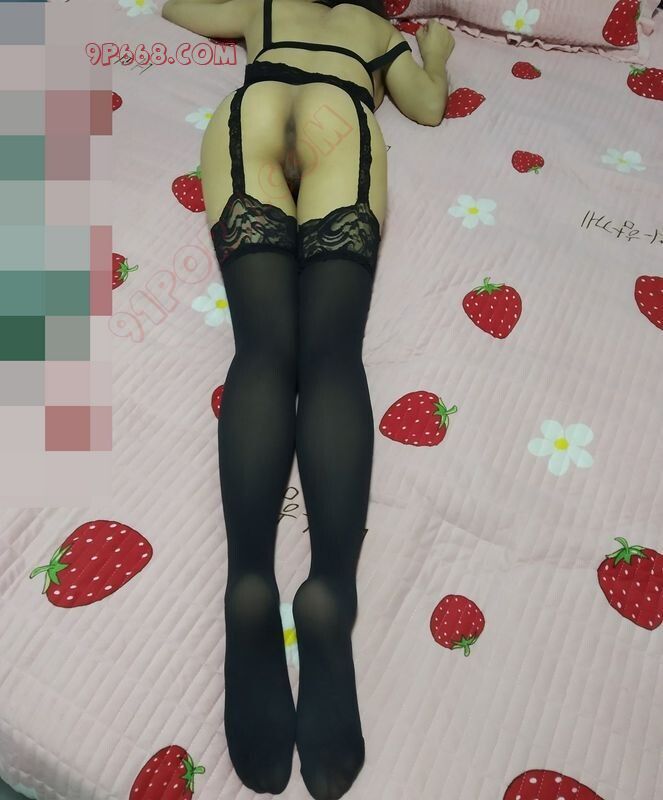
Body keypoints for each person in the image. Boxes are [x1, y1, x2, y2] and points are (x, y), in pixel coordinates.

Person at [161, 1, 454, 797]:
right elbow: (428, 106)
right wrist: (432, 54)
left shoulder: (264, 2)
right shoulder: (373, 30)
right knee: (332, 356)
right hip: (340, 115)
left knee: (261, 349)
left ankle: (248, 579)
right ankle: (329, 589)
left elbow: (175, 6)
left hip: (257, 107)